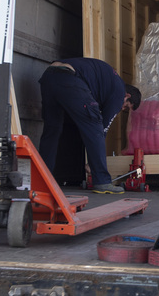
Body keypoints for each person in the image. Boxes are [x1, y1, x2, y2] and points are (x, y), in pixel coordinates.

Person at [38, 58, 141, 194]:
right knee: (95, 126)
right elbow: (101, 129)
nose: (122, 109)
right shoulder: (119, 92)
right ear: (126, 95)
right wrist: (92, 164)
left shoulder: (108, 82)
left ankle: (42, 180)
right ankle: (102, 181)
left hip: (49, 77)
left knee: (52, 131)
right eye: (126, 106)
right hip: (69, 79)